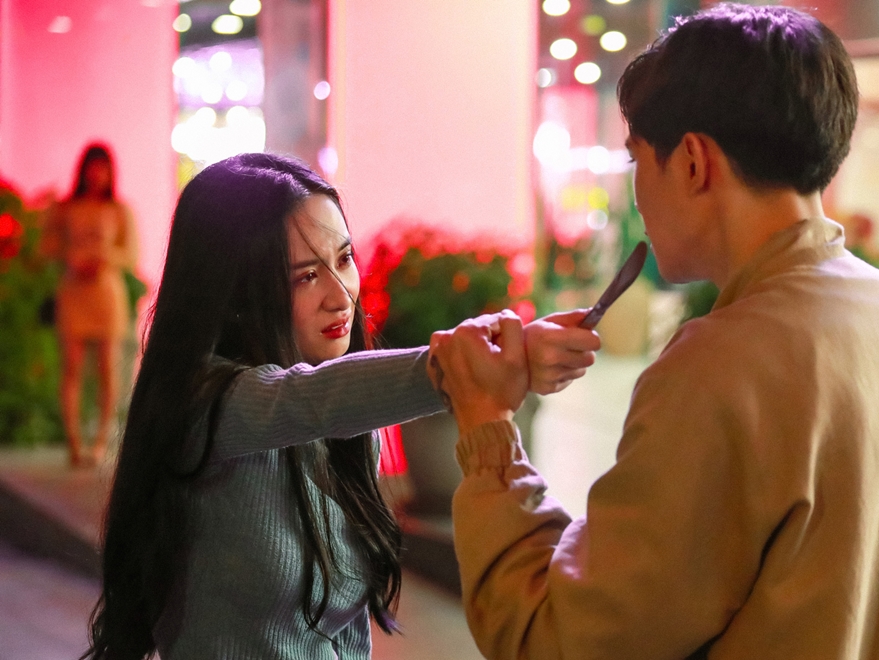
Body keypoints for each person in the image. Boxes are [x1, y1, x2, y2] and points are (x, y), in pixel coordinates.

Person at [429, 5, 879, 658]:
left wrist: (488, 427)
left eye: (636, 161)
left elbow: (560, 637)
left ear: (692, 162)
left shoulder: (719, 370)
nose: (637, 196)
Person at [83, 153, 597, 660]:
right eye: (305, 276)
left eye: (345, 259)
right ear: (237, 292)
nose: (340, 296)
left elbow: (346, 636)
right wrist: (474, 362)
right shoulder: (207, 403)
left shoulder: (349, 421)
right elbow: (307, 399)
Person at [41, 143, 138, 467]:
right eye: (92, 167)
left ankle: (100, 441)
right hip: (74, 292)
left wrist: (104, 258)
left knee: (107, 369)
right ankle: (73, 441)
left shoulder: (119, 210)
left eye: (102, 168)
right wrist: (71, 257)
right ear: (83, 170)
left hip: (106, 293)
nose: (96, 174)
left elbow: (130, 254)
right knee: (72, 367)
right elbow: (47, 245)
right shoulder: (66, 208)